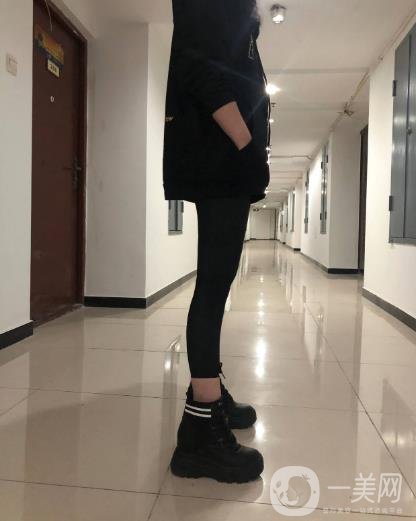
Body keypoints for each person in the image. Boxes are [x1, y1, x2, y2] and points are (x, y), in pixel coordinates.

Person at [163, 0, 271, 483]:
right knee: (212, 286)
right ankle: (200, 431)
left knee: (217, 283)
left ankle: (208, 396)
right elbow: (198, 66)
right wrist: (246, 146)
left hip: (224, 159)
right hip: (220, 158)